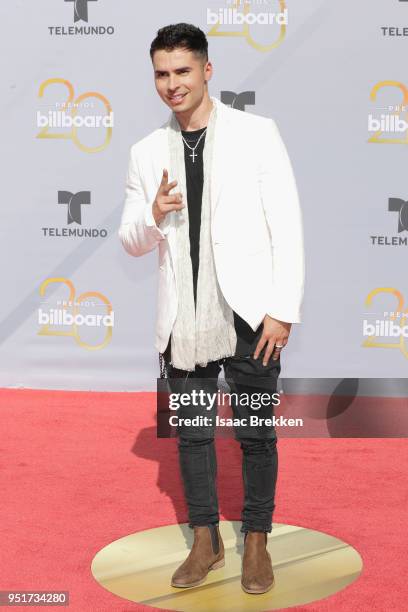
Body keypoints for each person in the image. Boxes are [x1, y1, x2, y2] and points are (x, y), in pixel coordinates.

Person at [118, 22, 305, 594]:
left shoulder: (257, 133)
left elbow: (287, 226)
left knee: (255, 432)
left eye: (182, 71)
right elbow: (130, 238)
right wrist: (152, 212)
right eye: (161, 74)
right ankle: (206, 540)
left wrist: (282, 309)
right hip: (184, 320)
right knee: (194, 434)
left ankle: (255, 541)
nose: (171, 84)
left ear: (207, 70)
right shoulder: (147, 152)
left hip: (250, 316)